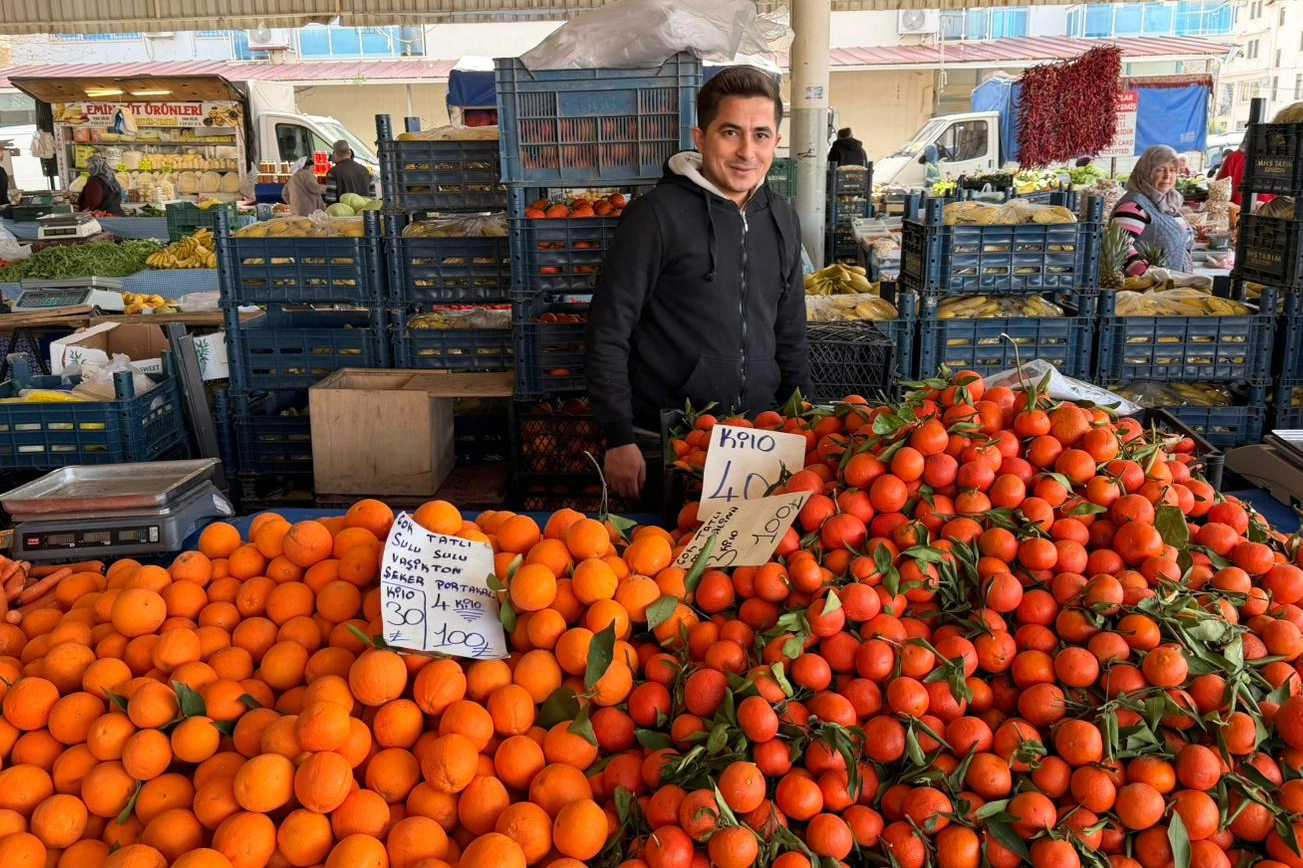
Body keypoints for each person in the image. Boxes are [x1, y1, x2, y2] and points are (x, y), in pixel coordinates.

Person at [586, 65, 810, 502]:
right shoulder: (655, 216)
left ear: (777, 143)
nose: (747, 151)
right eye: (731, 132)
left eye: (761, 135)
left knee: (750, 570)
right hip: (670, 440)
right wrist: (617, 436)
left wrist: (801, 419)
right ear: (700, 137)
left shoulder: (782, 217)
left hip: (759, 438)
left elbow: (791, 330)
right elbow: (608, 330)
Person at [1108, 144, 1194, 275]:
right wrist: (1149, 275)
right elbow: (1118, 247)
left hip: (1173, 286)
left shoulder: (1167, 202)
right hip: (1147, 290)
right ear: (1146, 172)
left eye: (1172, 170)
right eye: (1160, 169)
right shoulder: (1134, 205)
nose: (1167, 176)